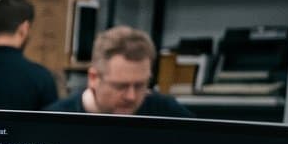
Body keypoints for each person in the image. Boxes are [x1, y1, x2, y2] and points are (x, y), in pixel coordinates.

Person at [46, 26, 194, 117]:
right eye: (120, 86)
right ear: (93, 78)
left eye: (140, 85)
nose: (131, 96)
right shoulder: (56, 120)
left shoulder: (167, 114)